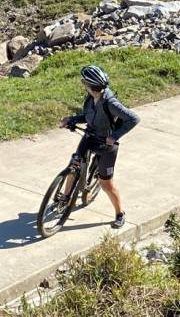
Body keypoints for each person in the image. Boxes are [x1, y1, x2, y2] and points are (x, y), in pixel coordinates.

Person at [59, 65, 140, 229]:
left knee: (106, 184)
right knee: (73, 165)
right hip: (90, 136)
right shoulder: (90, 98)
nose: (83, 85)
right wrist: (72, 119)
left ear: (89, 85)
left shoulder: (111, 103)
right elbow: (88, 117)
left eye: (84, 82)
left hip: (106, 144)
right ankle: (65, 197)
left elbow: (134, 118)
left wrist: (115, 136)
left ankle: (119, 213)